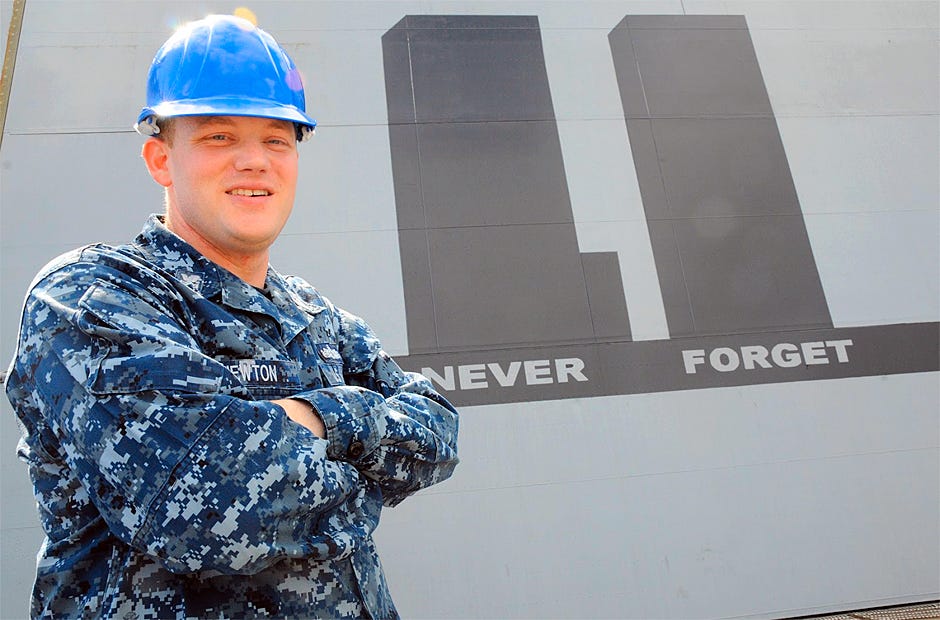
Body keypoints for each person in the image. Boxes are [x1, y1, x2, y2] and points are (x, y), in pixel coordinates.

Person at [4, 14, 458, 619]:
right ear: (161, 160)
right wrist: (371, 465)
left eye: (277, 138)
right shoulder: (90, 298)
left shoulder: (313, 314)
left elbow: (438, 431)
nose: (255, 161)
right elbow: (209, 508)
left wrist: (316, 419)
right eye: (219, 137)